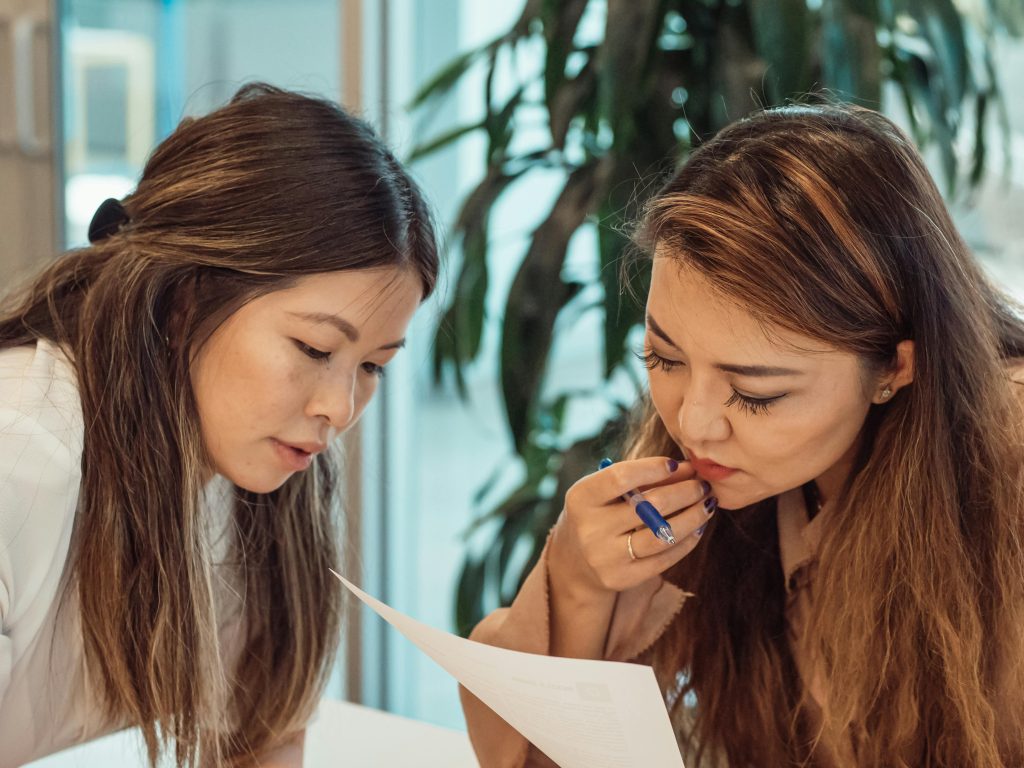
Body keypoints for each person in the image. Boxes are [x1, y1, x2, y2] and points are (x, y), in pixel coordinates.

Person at [460, 104, 1024, 767]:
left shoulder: (1006, 472)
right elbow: (512, 752)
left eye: (756, 392)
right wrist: (578, 586)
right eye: (664, 358)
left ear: (897, 366)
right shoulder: (711, 472)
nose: (692, 422)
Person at [0, 83, 438, 767]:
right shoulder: (17, 451)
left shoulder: (246, 464)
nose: (341, 408)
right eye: (315, 350)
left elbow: (262, 742)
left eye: (373, 366)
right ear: (183, 301)